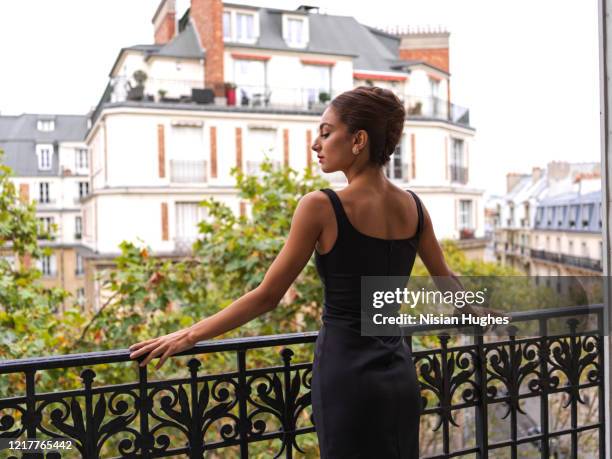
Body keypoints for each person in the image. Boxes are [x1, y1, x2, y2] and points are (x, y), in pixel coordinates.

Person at [129, 86, 462, 458]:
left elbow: (267, 296)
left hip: (346, 376)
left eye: (326, 132)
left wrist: (189, 334)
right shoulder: (415, 207)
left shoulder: (320, 206)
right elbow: (448, 285)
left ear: (359, 140)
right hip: (399, 375)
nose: (315, 144)